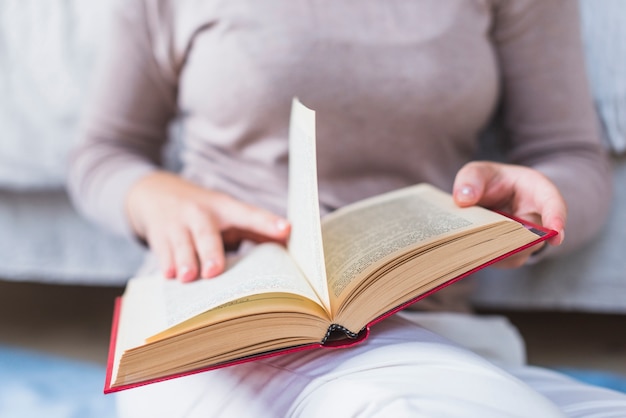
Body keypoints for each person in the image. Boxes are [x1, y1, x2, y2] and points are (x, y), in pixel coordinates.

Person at [69, 0, 626, 416]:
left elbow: (569, 156)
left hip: (422, 323)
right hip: (218, 325)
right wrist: (153, 197)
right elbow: (101, 153)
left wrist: (535, 202)